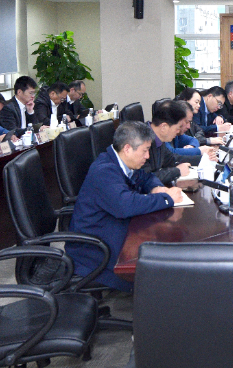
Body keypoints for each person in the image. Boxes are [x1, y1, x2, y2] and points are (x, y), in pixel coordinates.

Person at [66, 121, 185, 293]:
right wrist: (166, 199)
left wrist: (156, 188)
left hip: (114, 232)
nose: (147, 156)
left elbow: (146, 177)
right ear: (128, 148)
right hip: (94, 252)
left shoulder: (123, 163)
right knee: (156, 274)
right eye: (145, 150)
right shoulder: (104, 171)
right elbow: (126, 206)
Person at [141, 99, 192, 186]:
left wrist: (203, 158)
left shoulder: (159, 139)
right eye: (178, 128)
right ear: (164, 127)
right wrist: (177, 171)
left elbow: (172, 159)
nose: (178, 131)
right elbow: (146, 179)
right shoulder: (141, 140)